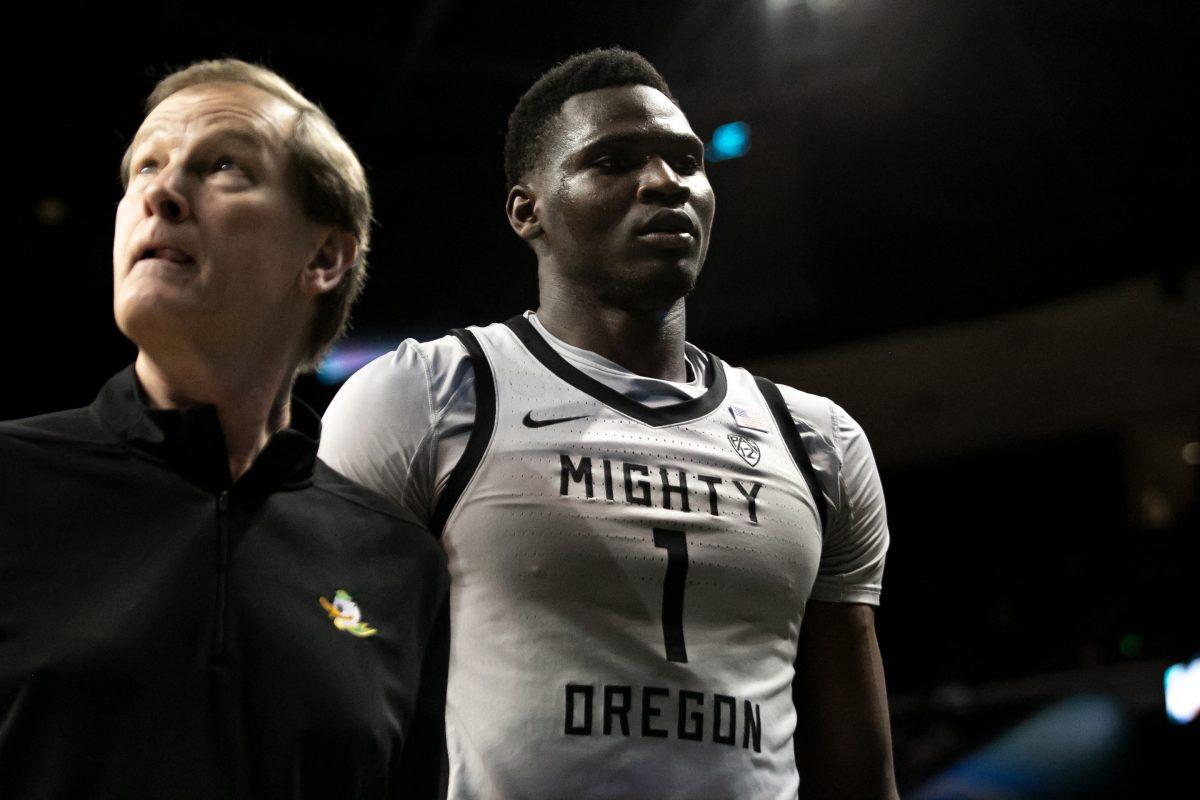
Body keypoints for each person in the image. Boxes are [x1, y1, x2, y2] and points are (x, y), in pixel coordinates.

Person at [321, 47, 897, 799]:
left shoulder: (818, 439)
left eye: (686, 160)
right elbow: (324, 668)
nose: (666, 184)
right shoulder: (427, 394)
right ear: (528, 210)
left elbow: (859, 774)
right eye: (614, 161)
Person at [0, 59, 448, 798]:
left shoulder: (399, 562)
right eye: (145, 165)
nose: (160, 192)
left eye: (223, 167)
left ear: (325, 257)